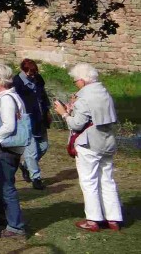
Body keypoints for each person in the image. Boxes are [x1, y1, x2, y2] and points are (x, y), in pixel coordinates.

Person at [53, 63, 123, 232]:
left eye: (76, 80)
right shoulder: (104, 92)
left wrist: (64, 113)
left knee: (89, 181)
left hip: (90, 143)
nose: (75, 83)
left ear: (83, 81)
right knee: (107, 180)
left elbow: (77, 125)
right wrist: (73, 109)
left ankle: (93, 220)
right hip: (107, 141)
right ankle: (113, 218)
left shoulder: (84, 97)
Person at [0, 63, 27, 239]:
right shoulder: (9, 96)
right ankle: (1, 214)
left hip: (5, 148)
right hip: (10, 148)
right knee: (4, 183)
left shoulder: (7, 99)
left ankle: (15, 226)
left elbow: (9, 125)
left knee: (6, 185)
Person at [13, 58, 51, 190]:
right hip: (26, 119)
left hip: (40, 118)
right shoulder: (16, 82)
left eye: (34, 72)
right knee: (32, 151)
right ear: (23, 70)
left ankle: (25, 165)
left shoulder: (38, 79)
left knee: (44, 146)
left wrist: (47, 111)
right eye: (30, 73)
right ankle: (36, 178)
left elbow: (44, 96)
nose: (33, 75)